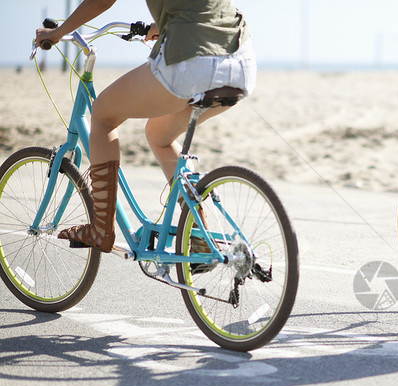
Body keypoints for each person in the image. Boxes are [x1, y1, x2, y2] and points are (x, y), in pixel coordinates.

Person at [35, 0, 256, 253]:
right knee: (158, 135)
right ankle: (198, 233)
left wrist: (56, 33)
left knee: (103, 114)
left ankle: (100, 230)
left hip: (191, 61)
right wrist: (161, 25)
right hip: (240, 63)